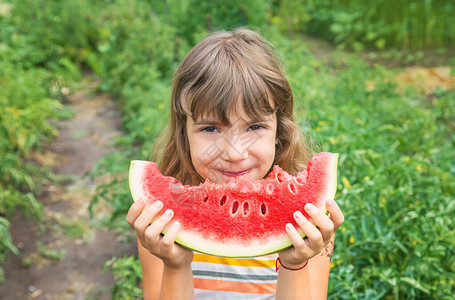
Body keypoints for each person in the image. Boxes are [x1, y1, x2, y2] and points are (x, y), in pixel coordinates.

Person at [126, 27, 344, 299]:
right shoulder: (160, 220)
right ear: (185, 133)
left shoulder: (308, 220)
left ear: (280, 130)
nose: (235, 153)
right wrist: (175, 265)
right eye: (211, 129)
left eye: (254, 127)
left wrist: (295, 264)